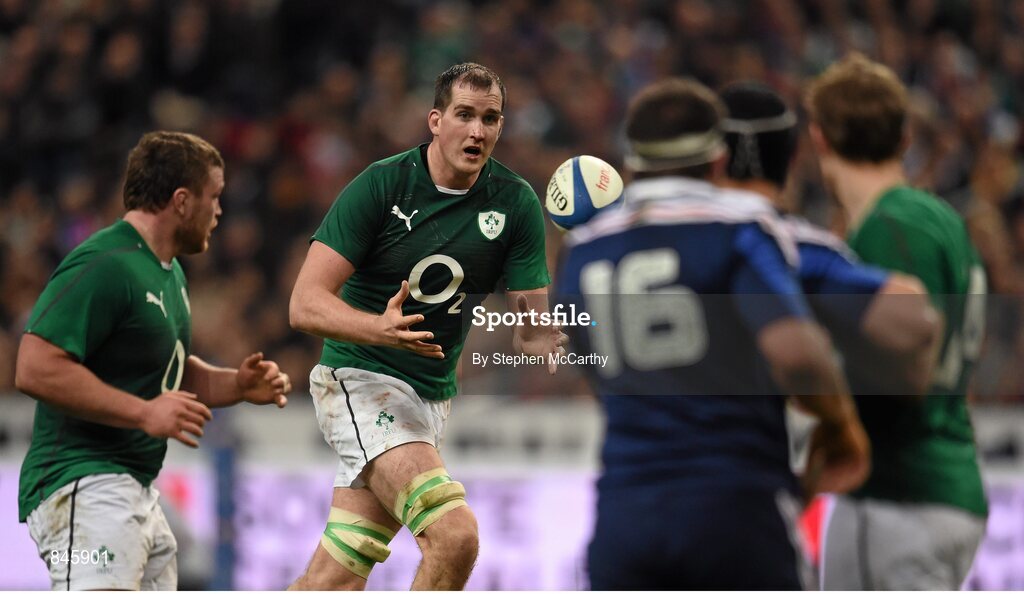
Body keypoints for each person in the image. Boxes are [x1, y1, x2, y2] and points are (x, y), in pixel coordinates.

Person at [556, 77, 870, 590]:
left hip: (625, 512)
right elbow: (797, 355)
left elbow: (589, 366)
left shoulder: (583, 247)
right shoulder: (739, 226)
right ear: (720, 160)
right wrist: (839, 426)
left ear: (630, 165)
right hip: (735, 504)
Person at [287, 62, 566, 590]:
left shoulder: (516, 202)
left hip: (430, 399)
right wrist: (378, 329)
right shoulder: (382, 185)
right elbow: (304, 304)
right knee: (454, 536)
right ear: (436, 121)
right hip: (360, 379)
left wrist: (536, 337)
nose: (477, 131)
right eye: (464, 115)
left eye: (490, 119)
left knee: (335, 577)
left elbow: (530, 320)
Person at [15, 131, 292, 591]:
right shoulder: (106, 263)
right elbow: (34, 366)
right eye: (214, 197)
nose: (219, 211)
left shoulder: (168, 271)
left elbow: (165, 374)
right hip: (82, 485)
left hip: (131, 490)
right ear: (181, 201)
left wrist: (237, 386)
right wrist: (144, 412)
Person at [805, 53, 988, 590]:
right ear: (904, 138)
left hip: (896, 494)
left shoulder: (890, 227)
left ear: (819, 138)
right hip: (944, 480)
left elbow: (907, 367)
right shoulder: (939, 219)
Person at [718, 81, 938, 402]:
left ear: (712, 162)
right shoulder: (790, 246)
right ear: (793, 158)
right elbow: (915, 319)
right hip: (746, 431)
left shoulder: (645, 231)